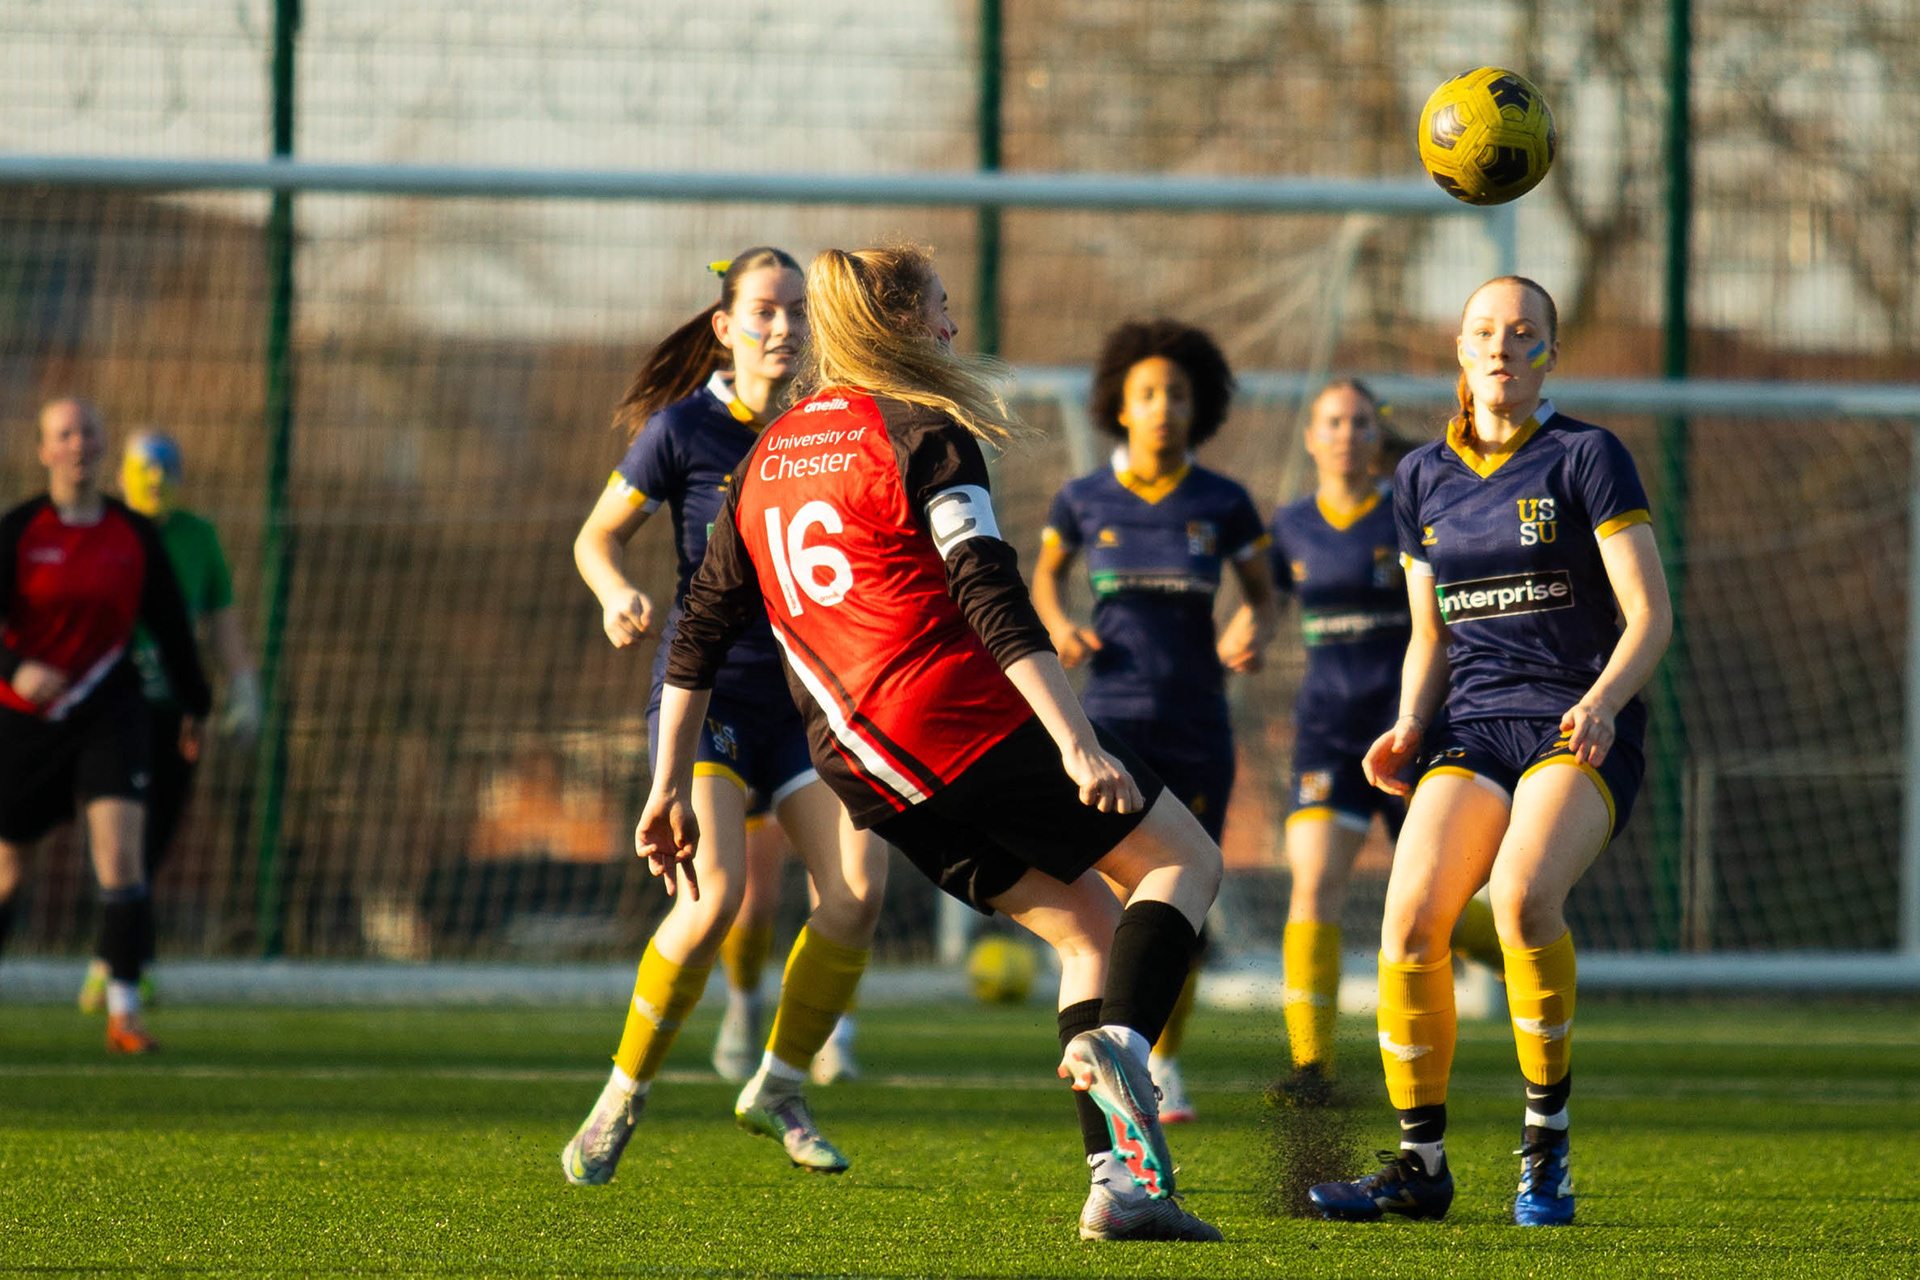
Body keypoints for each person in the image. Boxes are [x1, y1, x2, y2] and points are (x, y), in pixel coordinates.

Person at [650, 243, 1226, 1243]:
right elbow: (986, 588)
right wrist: (1074, 739)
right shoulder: (920, 431)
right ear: (900, 325)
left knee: (1085, 930)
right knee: (1185, 860)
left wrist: (664, 785)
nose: (954, 328)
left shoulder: (766, 454)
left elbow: (695, 627)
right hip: (958, 719)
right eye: (941, 308)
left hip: (861, 765)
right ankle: (1129, 1046)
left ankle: (1122, 1186)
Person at [1308, 277, 1671, 1226]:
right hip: (1473, 726)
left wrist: (1601, 701)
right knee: (1407, 925)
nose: (1502, 345)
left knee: (1519, 899)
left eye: (1523, 332)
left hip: (1576, 722)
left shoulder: (1588, 456)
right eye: (1484, 331)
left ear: (1551, 352)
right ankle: (1420, 1166)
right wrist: (1407, 722)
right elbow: (1430, 634)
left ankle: (1546, 1148)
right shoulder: (1420, 476)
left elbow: (1650, 616)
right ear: (1461, 351)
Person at [562, 248, 887, 1184]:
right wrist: (615, 592)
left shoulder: (832, 426)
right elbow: (596, 537)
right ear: (725, 326)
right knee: (712, 902)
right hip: (707, 698)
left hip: (809, 704)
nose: (785, 327)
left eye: (798, 311)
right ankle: (622, 1094)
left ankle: (779, 1085)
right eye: (765, 311)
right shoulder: (682, 431)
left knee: (856, 893)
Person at [1031, 319, 1278, 1123]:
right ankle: (1112, 1054)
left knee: (1185, 899)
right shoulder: (1083, 499)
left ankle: (1159, 1061)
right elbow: (1044, 581)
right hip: (1111, 726)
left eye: (1177, 394)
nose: (1163, 407)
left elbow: (1266, 593)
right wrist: (1061, 627)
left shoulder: (1224, 501)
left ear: (1198, 406)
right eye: (1147, 394)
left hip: (1199, 723)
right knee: (1116, 903)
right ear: (1119, 405)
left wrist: (1255, 626)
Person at [1267, 380, 1504, 1102]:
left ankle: (1525, 946)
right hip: (1326, 734)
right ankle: (1311, 1067)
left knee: (1438, 902)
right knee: (1313, 885)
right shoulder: (1289, 525)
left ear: (1377, 435)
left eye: (1360, 422)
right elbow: (1264, 602)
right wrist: (1246, 629)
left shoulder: (1410, 513)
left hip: (1410, 731)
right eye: (1333, 421)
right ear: (1311, 436)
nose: (1346, 433)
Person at [0, 398, 211, 1053]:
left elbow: (172, 627)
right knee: (7, 870)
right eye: (63, 434)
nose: (77, 443)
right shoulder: (19, 531)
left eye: (88, 432)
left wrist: (197, 705)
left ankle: (125, 1013)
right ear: (44, 450)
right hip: (24, 720)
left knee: (120, 855)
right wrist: (16, 667)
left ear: (103, 446)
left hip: (108, 711)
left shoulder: (132, 534)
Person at [74, 429, 261, 1013]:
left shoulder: (197, 537)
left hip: (175, 711)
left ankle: (121, 958)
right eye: (145, 472)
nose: (156, 484)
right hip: (110, 705)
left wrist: (243, 687)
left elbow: (220, 620)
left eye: (166, 472)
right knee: (120, 838)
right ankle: (122, 964)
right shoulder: (103, 531)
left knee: (156, 837)